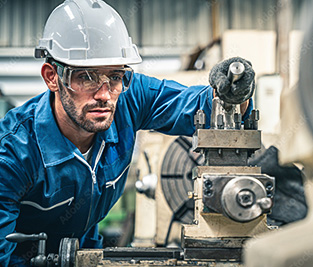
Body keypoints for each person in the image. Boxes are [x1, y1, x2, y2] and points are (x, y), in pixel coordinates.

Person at [0, 0, 254, 266]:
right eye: (86, 77)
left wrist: (234, 93)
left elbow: (199, 107)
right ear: (52, 76)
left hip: (86, 253)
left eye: (116, 76)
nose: (104, 95)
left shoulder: (128, 98)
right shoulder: (14, 154)